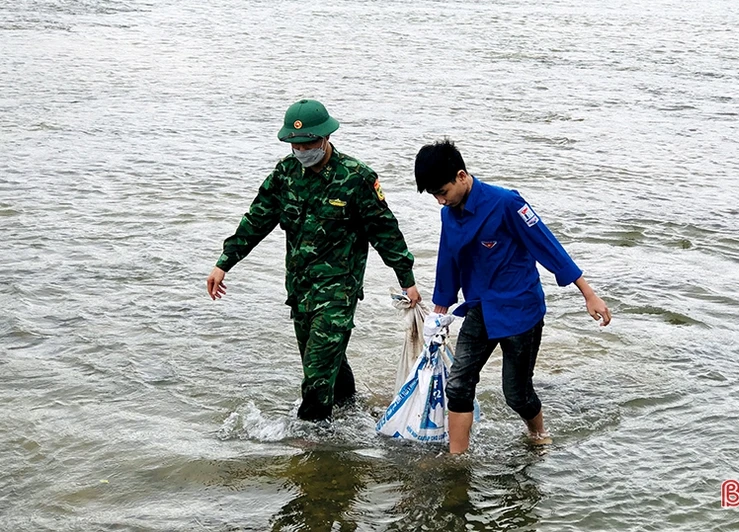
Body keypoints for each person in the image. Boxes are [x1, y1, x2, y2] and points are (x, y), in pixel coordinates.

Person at [207, 99, 421, 421]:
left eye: (308, 142)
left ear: (325, 138)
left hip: (338, 291)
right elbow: (256, 221)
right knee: (320, 360)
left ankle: (310, 444)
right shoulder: (285, 173)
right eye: (295, 143)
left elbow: (385, 232)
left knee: (317, 376)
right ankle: (351, 410)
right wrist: (224, 263)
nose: (302, 149)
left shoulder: (356, 178)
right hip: (300, 289)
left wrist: (407, 280)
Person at [414, 139, 611, 454]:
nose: (440, 201)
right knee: (459, 384)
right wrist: (439, 314)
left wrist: (588, 294)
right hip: (479, 308)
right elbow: (448, 261)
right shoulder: (449, 214)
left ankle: (538, 434)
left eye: (443, 192)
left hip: (521, 310)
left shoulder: (506, 203)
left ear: (461, 176)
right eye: (435, 195)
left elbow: (547, 246)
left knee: (516, 393)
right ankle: (457, 459)